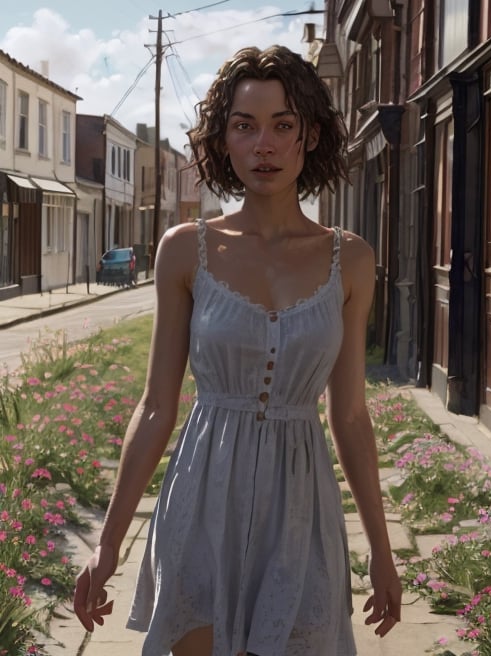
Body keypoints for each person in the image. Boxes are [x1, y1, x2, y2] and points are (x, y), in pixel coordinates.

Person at [73, 45, 402, 656]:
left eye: (283, 125)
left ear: (310, 137)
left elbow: (350, 414)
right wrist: (108, 541)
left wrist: (381, 554)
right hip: (202, 500)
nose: (264, 145)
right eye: (244, 126)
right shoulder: (184, 249)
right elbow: (154, 408)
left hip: (302, 507)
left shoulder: (349, 259)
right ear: (222, 142)